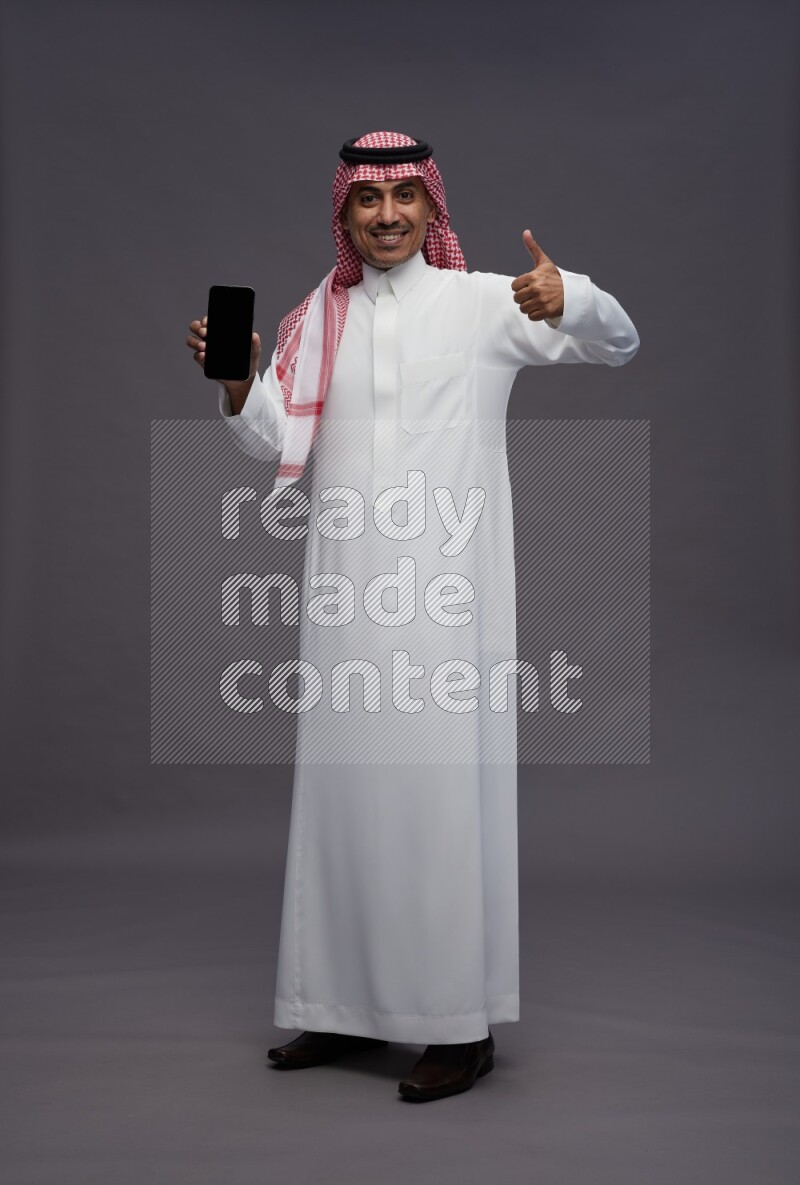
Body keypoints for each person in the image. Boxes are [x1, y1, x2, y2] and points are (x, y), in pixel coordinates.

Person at [186, 131, 639, 1103]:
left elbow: (617, 343)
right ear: (343, 214)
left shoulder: (483, 302)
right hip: (346, 597)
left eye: (404, 197)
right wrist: (236, 381)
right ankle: (338, 1009)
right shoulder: (319, 318)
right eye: (367, 200)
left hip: (447, 605)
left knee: (435, 808)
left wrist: (577, 297)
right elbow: (271, 436)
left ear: (432, 209)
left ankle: (453, 1026)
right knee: (343, 802)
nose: (387, 214)